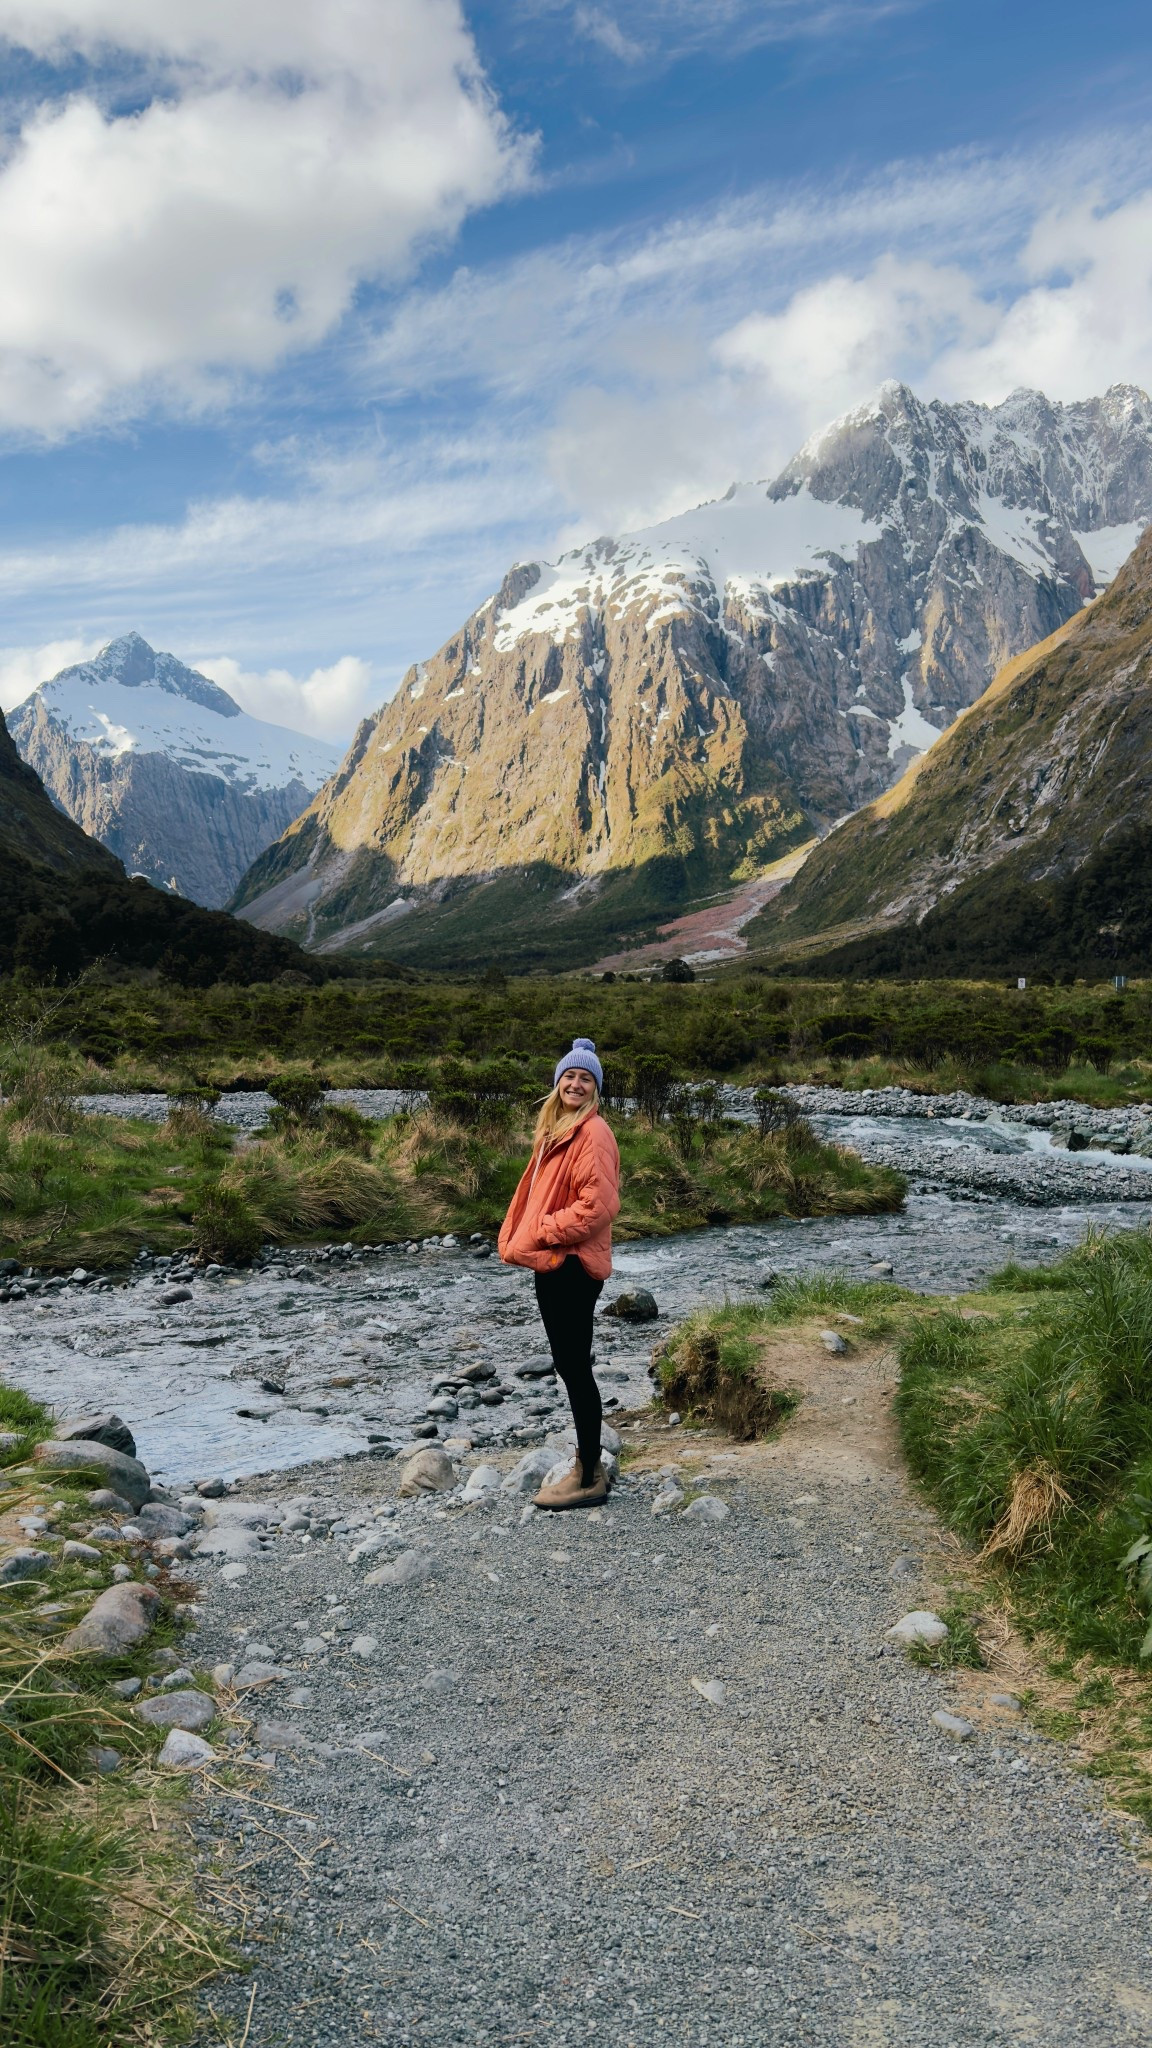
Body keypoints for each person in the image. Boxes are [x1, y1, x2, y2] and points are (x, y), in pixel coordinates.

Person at [498, 1037, 621, 1509]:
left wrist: (544, 1230)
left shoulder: (592, 1133)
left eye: (585, 1078)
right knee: (571, 1365)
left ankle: (588, 1474)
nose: (575, 1082)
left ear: (595, 1089)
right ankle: (586, 1463)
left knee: (574, 1367)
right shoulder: (558, 1130)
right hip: (554, 1262)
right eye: (569, 1076)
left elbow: (599, 1206)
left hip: (570, 1263)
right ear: (557, 1084)